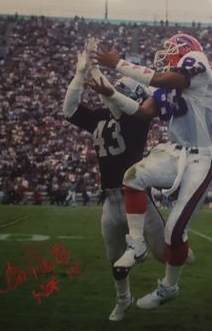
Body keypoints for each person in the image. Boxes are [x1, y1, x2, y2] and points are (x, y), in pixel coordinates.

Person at [91, 32, 212, 309]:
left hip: (202, 158)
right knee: (134, 177)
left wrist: (118, 64)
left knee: (174, 232)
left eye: (171, 49)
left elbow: (167, 80)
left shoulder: (196, 62)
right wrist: (111, 94)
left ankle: (169, 287)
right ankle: (136, 243)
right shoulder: (168, 85)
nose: (166, 55)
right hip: (176, 152)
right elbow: (143, 112)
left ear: (186, 50)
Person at [62, 41, 166, 321]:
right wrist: (79, 76)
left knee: (164, 253)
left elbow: (118, 101)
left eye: (121, 88)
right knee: (115, 260)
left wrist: (92, 70)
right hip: (110, 201)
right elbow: (69, 110)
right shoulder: (101, 117)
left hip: (137, 199)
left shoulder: (137, 117)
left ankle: (171, 280)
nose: (114, 90)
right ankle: (123, 299)